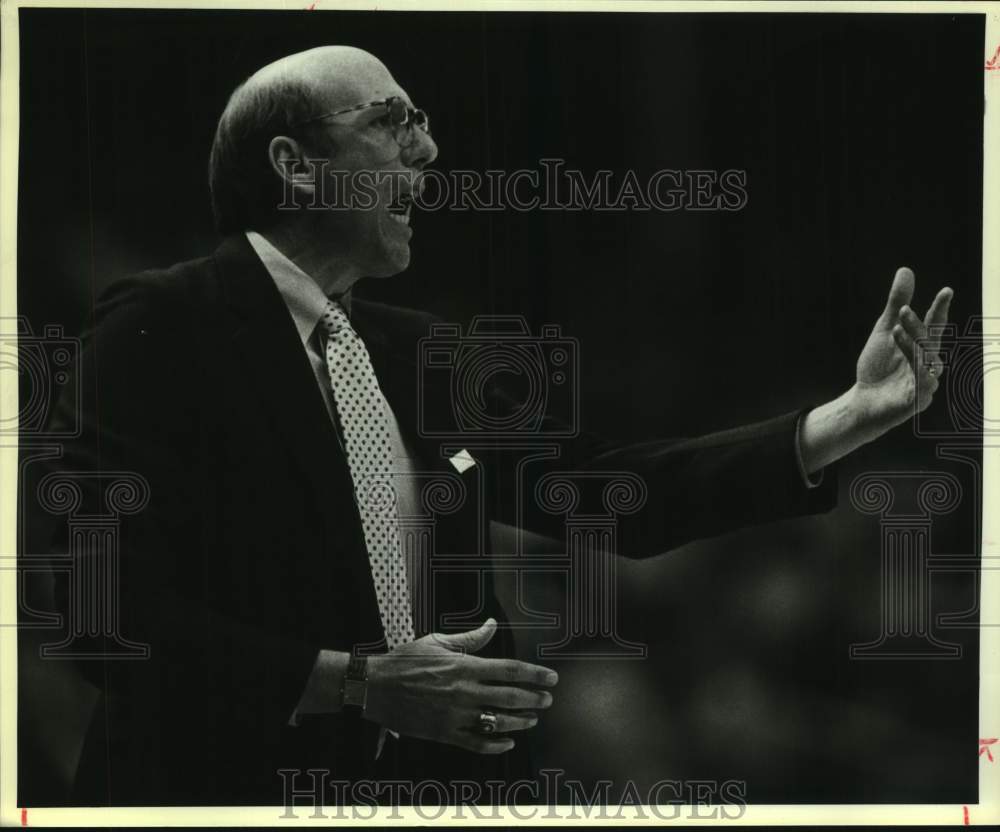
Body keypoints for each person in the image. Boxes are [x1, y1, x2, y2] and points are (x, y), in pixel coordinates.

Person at [38, 45, 953, 806]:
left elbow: (613, 496)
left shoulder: (427, 351)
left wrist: (845, 419)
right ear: (293, 163)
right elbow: (97, 615)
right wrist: (354, 685)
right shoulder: (162, 324)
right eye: (393, 121)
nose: (429, 151)